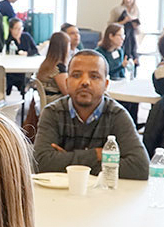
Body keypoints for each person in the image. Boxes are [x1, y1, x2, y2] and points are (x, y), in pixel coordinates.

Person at [33, 50, 149, 179]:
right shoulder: (53, 113)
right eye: (76, 75)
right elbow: (41, 163)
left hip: (105, 196)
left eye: (94, 76)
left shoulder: (117, 115)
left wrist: (66, 161)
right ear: (66, 82)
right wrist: (97, 155)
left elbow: (140, 167)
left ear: (106, 85)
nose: (85, 82)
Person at [36, 31, 71, 104]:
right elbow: (67, 92)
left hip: (46, 100)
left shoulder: (47, 63)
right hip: (55, 103)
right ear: (64, 48)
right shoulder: (59, 67)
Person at [109, 0, 140, 65]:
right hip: (120, 41)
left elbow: (139, 31)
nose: (128, 0)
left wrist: (135, 26)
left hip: (132, 40)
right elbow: (110, 26)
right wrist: (123, 21)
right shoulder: (116, 10)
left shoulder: (136, 11)